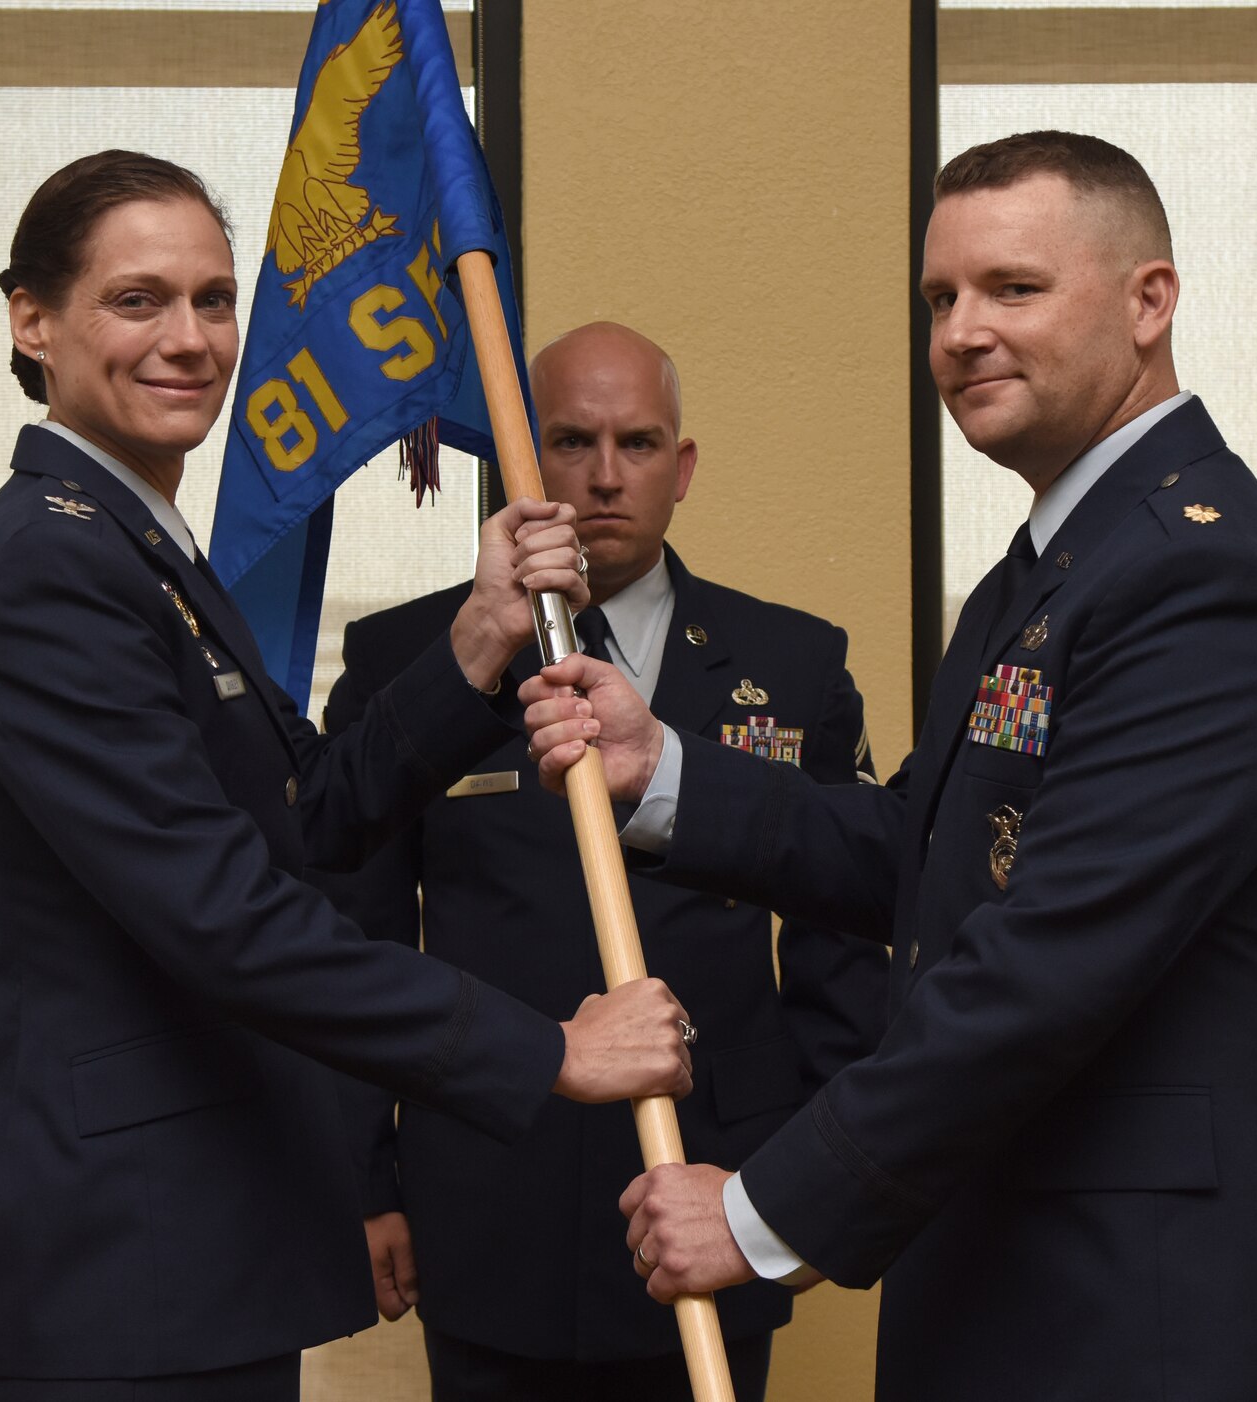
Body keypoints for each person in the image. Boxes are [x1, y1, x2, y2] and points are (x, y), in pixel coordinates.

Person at [521, 132, 1257, 1401]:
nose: (958, 333)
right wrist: (665, 767)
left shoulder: (1197, 578)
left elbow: (1044, 958)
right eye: (938, 298)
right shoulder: (1049, 567)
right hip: (1034, 1273)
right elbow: (930, 853)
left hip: (1167, 1309)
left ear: (1147, 302)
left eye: (1012, 288)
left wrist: (762, 1210)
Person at [0, 150, 695, 1402]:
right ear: (32, 320)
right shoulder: (48, 572)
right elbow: (228, 915)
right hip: (122, 1271)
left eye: (214, 300)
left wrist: (478, 638)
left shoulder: (142, 550)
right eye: (137, 300)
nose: (189, 339)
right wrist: (548, 1048)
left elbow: (305, 821)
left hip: (197, 1242)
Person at [314, 321, 888, 1402]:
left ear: (682, 468)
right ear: (521, 463)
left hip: (713, 1185)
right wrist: (364, 1175)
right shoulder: (415, 659)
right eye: (571, 441)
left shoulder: (793, 663)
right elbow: (355, 930)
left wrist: (803, 1182)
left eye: (638, 442)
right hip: (486, 1184)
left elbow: (844, 947)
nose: (606, 475)